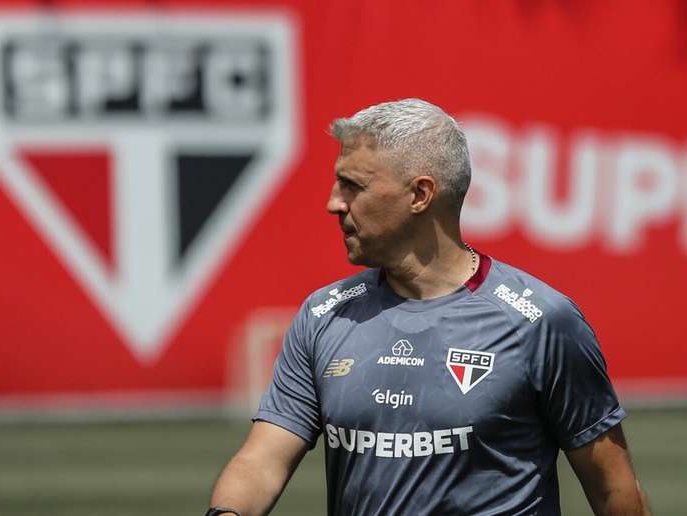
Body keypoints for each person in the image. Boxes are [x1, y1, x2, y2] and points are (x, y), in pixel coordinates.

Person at [208, 99, 650, 516]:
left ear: (420, 194)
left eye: (353, 186)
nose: (333, 203)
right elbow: (261, 459)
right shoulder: (324, 314)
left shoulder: (541, 321)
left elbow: (613, 490)